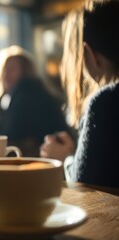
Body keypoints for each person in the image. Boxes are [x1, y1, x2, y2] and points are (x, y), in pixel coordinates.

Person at [40, 0, 119, 188]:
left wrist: (64, 159)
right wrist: (80, 152)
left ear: (89, 54)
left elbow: (87, 190)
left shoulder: (107, 102)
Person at [0, 45, 69, 157]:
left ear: (24, 71)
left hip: (38, 162)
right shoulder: (22, 94)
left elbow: (13, 134)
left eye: (12, 69)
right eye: (4, 69)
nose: (6, 74)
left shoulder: (28, 93)